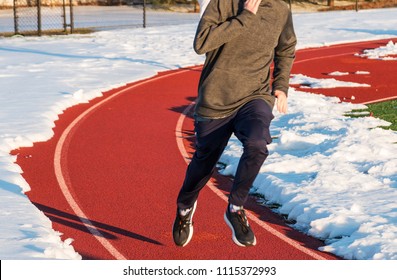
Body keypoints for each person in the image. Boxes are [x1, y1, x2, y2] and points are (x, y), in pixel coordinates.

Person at [173, 0, 297, 247]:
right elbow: (201, 43)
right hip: (216, 99)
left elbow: (286, 48)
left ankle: (236, 207)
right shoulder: (223, 3)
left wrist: (281, 86)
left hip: (255, 96)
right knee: (203, 163)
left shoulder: (281, 8)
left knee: (257, 144)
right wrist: (244, 18)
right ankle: (185, 208)